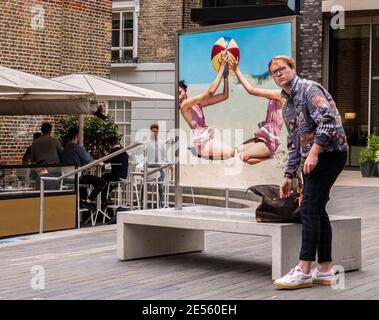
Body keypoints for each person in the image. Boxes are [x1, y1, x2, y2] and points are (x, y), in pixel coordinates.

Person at [268, 56, 348, 289]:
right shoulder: (287, 103)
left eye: (282, 69)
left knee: (309, 208)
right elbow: (293, 143)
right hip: (313, 158)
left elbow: (329, 121)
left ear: (292, 69)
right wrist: (288, 176)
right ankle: (324, 269)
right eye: (274, 72)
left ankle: (304, 269)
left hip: (330, 153)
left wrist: (313, 153)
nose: (278, 74)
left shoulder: (308, 89)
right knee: (317, 209)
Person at [228, 55, 286, 165]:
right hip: (263, 135)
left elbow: (251, 90)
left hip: (271, 140)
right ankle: (271, 156)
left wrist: (236, 70)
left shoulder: (280, 94)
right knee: (237, 151)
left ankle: (272, 156)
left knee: (243, 156)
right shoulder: (275, 94)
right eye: (274, 73)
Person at [179, 52, 234, 160]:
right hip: (202, 145)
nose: (179, 97)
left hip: (207, 139)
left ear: (185, 90)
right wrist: (222, 67)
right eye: (176, 95)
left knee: (236, 150)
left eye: (180, 92)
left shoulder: (196, 104)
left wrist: (225, 76)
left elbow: (224, 96)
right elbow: (209, 92)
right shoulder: (184, 106)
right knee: (232, 152)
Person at [60, 127, 106, 210]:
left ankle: (82, 200)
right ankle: (88, 201)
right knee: (101, 182)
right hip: (78, 178)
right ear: (77, 136)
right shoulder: (78, 149)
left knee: (90, 182)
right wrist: (99, 162)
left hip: (65, 179)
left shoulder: (63, 150)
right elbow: (89, 162)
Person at [101, 135, 129, 205]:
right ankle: (106, 199)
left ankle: (104, 200)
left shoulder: (114, 152)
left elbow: (105, 161)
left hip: (117, 177)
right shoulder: (124, 151)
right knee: (104, 183)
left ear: (110, 144)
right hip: (124, 176)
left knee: (101, 181)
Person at [146, 124, 167, 208]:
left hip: (159, 167)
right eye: (153, 131)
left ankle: (160, 205)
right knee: (145, 186)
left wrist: (166, 163)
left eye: (156, 131)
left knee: (161, 187)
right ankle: (142, 202)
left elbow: (163, 154)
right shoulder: (147, 142)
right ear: (151, 131)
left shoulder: (161, 142)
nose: (155, 133)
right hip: (149, 167)